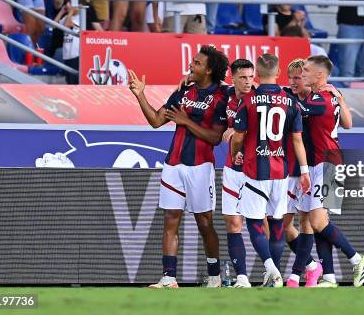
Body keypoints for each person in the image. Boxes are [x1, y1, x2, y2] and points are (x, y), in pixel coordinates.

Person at [128, 45, 230, 289]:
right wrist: (140, 95)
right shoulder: (183, 92)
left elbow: (215, 137)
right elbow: (156, 121)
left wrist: (185, 121)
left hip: (201, 167)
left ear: (208, 70)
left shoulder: (222, 97)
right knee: (171, 218)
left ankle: (214, 276)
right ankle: (169, 278)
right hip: (173, 164)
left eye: (196, 62)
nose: (190, 65)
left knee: (204, 223)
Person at [230, 53, 311, 288]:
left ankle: (271, 269)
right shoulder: (291, 102)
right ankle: (273, 278)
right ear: (277, 74)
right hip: (281, 171)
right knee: (277, 225)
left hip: (256, 170)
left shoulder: (248, 101)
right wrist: (304, 171)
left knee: (254, 222)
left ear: (256, 74)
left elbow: (238, 136)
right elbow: (297, 140)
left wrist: (236, 152)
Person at [286, 55, 364, 289]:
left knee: (318, 221)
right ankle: (329, 277)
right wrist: (340, 99)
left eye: (307, 71)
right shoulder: (328, 95)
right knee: (317, 220)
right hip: (322, 162)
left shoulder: (320, 99)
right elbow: (348, 124)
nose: (303, 75)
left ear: (319, 75)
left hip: (328, 162)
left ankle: (356, 258)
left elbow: (296, 108)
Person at [280, 58, 323, 288]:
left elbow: (344, 122)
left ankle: (299, 275)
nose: (294, 82)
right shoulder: (284, 97)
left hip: (312, 169)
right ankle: (311, 266)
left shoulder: (319, 99)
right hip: (287, 168)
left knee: (308, 221)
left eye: (299, 77)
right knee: (284, 224)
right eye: (291, 78)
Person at [220, 58, 254, 288]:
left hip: (256, 170)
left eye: (251, 77)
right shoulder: (225, 95)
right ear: (232, 78)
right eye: (243, 77)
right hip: (232, 169)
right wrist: (188, 79)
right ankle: (241, 277)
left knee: (261, 223)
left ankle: (274, 272)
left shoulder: (261, 98)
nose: (248, 82)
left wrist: (238, 130)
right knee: (233, 222)